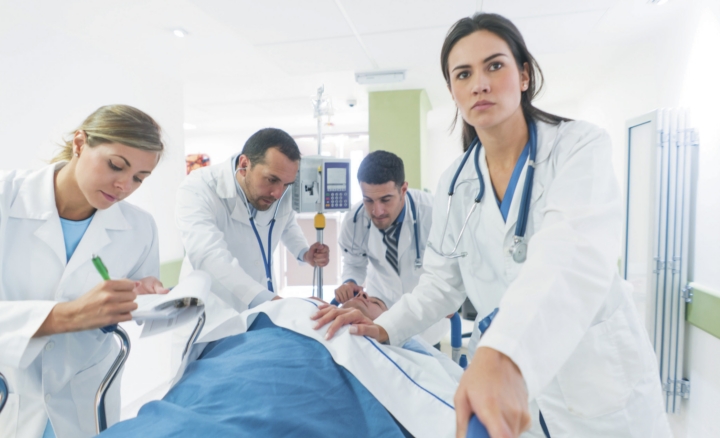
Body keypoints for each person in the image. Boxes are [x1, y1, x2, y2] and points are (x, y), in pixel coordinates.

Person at [312, 13, 670, 438]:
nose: (479, 84)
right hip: (514, 395)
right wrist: (387, 326)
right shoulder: (455, 184)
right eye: (463, 74)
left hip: (595, 381)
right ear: (453, 91)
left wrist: (505, 354)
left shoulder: (577, 147)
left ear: (524, 75)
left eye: (494, 66)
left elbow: (570, 257)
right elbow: (440, 282)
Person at [0, 105, 169, 438]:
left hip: (85, 397)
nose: (124, 185)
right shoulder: (6, 197)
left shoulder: (140, 228)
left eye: (139, 178)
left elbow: (135, 296)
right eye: (116, 165)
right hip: (11, 390)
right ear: (79, 143)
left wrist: (142, 295)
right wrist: (67, 315)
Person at [99, 297, 460, 438]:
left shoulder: (390, 348)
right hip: (253, 353)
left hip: (312, 378)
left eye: (376, 301)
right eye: (358, 294)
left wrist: (382, 331)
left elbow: (431, 383)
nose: (362, 296)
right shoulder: (297, 307)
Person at [175, 128, 330, 341]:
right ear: (244, 164)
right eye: (271, 180)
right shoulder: (198, 189)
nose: (278, 193)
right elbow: (209, 256)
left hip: (261, 310)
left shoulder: (280, 190)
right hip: (211, 317)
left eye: (286, 184)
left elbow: (285, 221)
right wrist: (277, 303)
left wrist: (304, 252)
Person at [335, 151, 447, 344]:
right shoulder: (354, 220)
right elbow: (353, 262)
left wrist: (447, 296)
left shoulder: (434, 212)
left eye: (386, 200)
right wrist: (350, 281)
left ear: (403, 189)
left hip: (426, 316)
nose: (376, 211)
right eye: (368, 200)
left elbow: (452, 266)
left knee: (422, 357)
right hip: (379, 311)